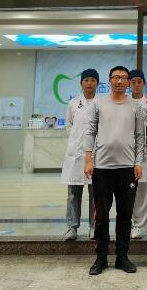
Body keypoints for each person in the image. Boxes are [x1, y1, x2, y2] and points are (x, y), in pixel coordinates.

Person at [84, 65, 145, 275]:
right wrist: (88, 160)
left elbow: (140, 136)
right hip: (102, 167)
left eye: (123, 78)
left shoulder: (136, 106)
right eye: (116, 77)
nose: (119, 81)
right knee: (101, 215)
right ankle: (101, 257)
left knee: (125, 215)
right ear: (109, 80)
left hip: (127, 168)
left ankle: (122, 257)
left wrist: (138, 162)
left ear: (128, 82)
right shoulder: (98, 103)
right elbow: (90, 132)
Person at [60, 69, 98, 241]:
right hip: (76, 156)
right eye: (86, 80)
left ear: (97, 83)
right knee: (73, 194)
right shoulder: (73, 103)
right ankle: (72, 227)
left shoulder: (101, 103)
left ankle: (94, 227)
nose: (89, 83)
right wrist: (77, 143)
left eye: (93, 80)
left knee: (96, 194)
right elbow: (69, 127)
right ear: (81, 83)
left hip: (96, 155)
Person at [129, 69, 147, 240]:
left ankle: (138, 225)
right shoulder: (124, 103)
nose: (136, 85)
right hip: (126, 152)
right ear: (129, 84)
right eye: (133, 82)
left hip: (145, 153)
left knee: (143, 190)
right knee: (126, 189)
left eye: (139, 81)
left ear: (144, 83)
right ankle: (127, 222)